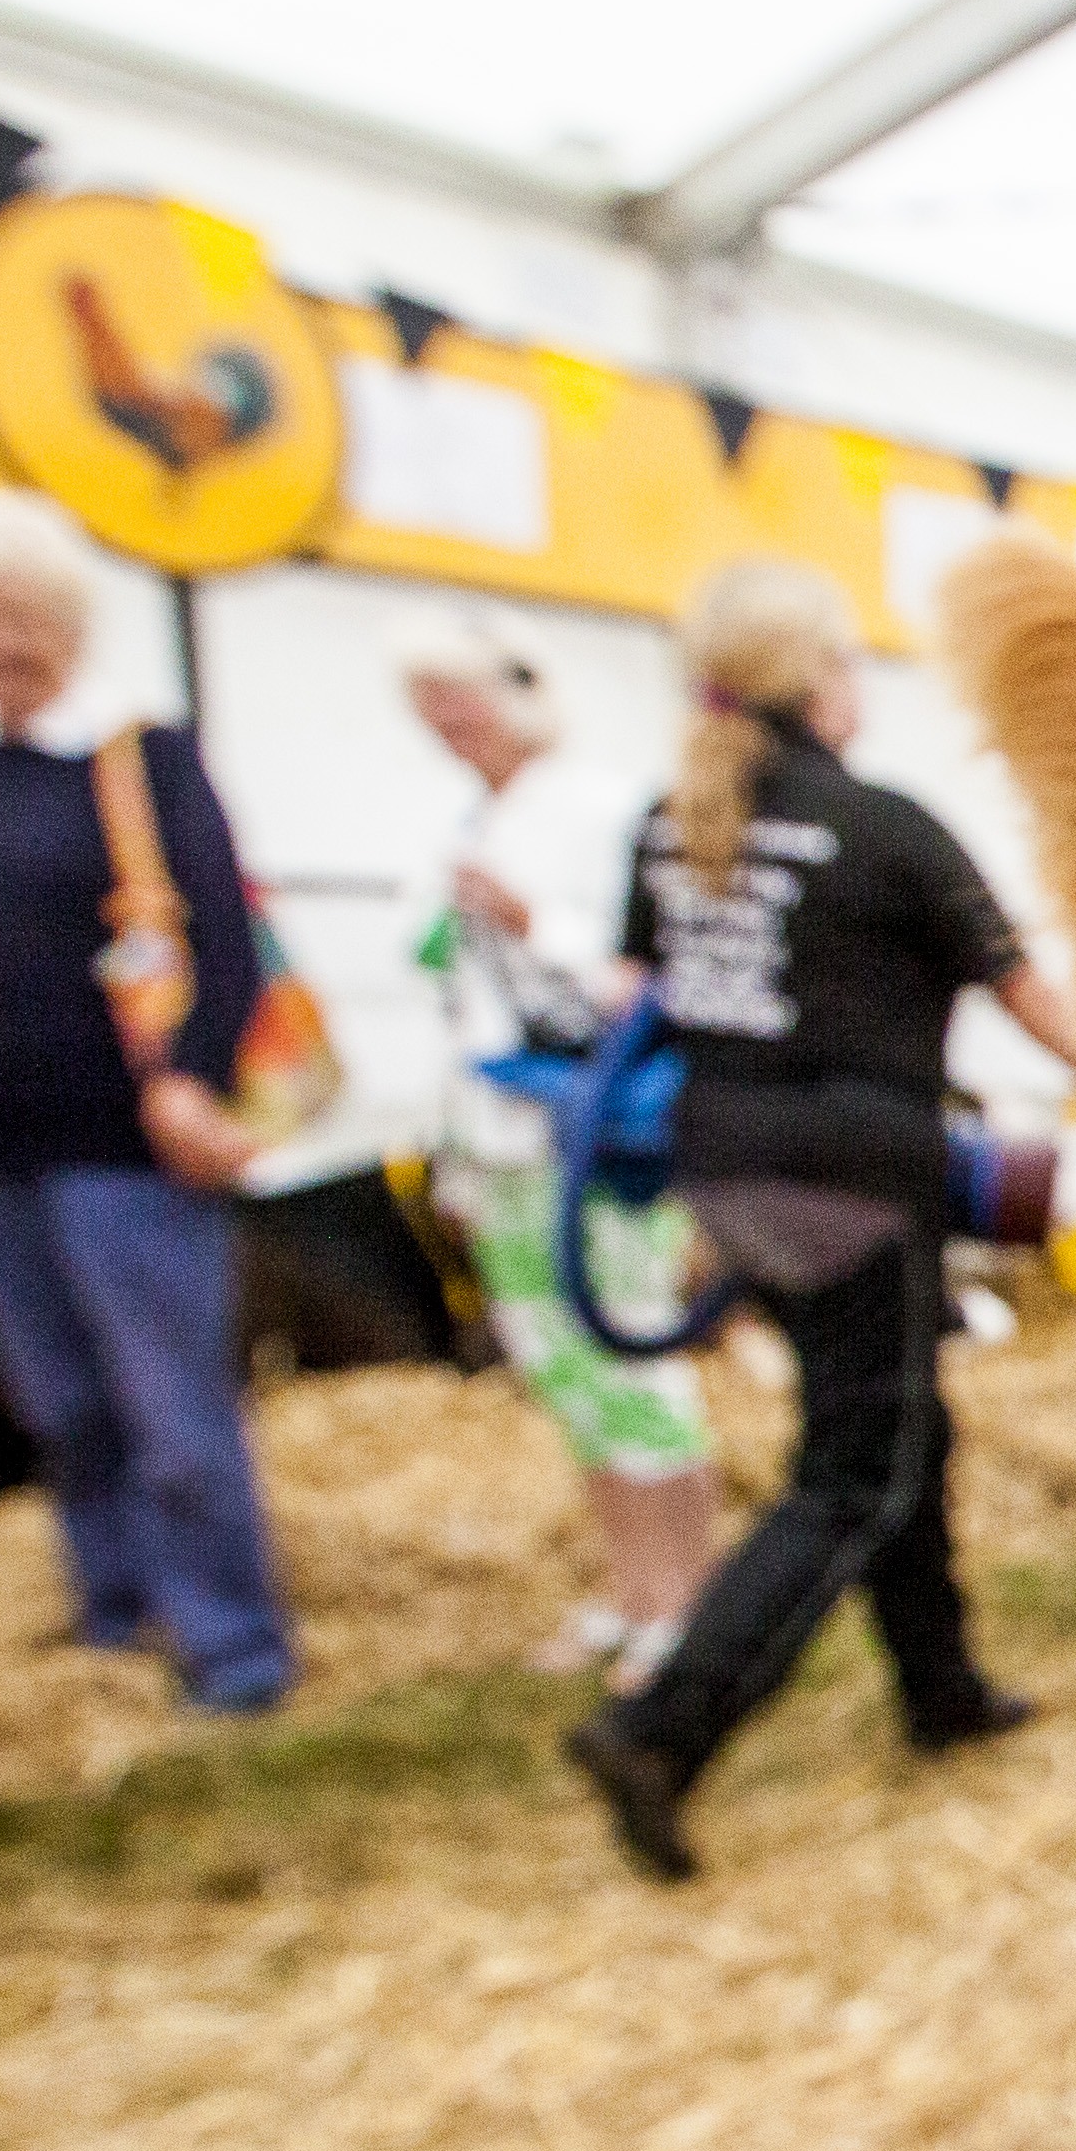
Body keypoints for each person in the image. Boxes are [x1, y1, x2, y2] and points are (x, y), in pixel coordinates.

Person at [562, 560, 1076, 1880]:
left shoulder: (671, 821)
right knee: (854, 1470)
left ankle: (943, 1690)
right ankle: (663, 1727)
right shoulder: (883, 826)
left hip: (730, 1174)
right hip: (857, 1181)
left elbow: (638, 987)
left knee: (891, 1414)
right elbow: (1032, 999)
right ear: (823, 684)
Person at [0, 485, 294, 1715]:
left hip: (120, 1135)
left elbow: (224, 936)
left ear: (67, 615)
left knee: (170, 1399)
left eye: (16, 611)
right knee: (60, 1394)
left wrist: (191, 1082)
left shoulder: (136, 759)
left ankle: (234, 1652)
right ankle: (113, 1617)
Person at [396, 607, 717, 1683]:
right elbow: (456, 1003)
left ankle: (690, 1600)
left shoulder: (605, 810)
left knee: (636, 1357)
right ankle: (632, 1593)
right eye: (430, 707)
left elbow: (660, 976)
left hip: (599, 1131)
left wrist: (534, 920)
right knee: (561, 1368)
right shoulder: (463, 822)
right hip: (496, 1137)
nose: (448, 725)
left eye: (463, 701)